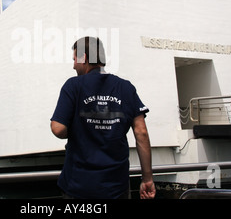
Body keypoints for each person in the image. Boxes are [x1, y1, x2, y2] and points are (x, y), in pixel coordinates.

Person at [50, 36, 155, 199]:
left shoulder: (73, 86)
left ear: (83, 58)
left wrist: (78, 127)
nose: (73, 66)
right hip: (116, 187)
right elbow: (141, 132)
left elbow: (58, 128)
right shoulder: (125, 87)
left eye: (74, 60)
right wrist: (147, 178)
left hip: (78, 186)